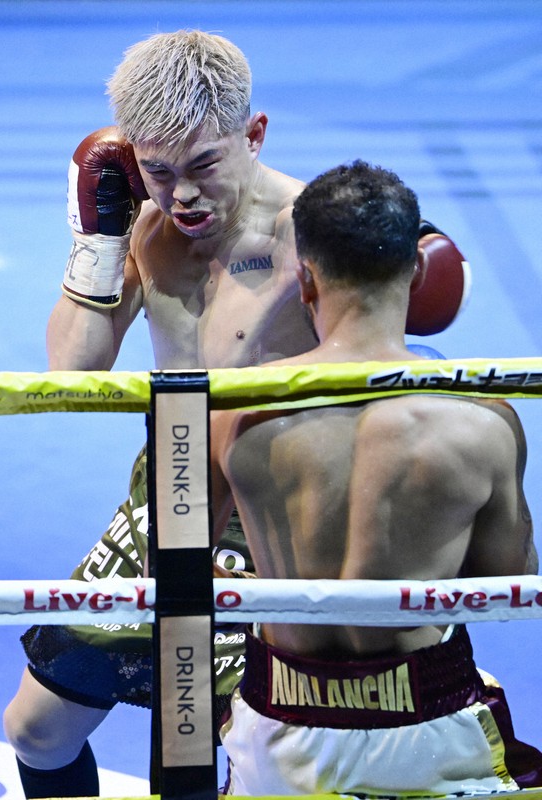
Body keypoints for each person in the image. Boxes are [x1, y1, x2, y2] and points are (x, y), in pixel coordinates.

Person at [3, 31, 468, 799]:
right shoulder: (146, 233)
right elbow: (74, 371)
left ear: (254, 134)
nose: (180, 194)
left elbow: (411, 323)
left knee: (250, 752)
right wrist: (97, 240)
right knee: (36, 730)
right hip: (166, 500)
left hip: (279, 517)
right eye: (157, 171)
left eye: (203, 166)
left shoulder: (310, 235)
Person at [210, 159, 542, 796]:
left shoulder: (237, 408)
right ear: (418, 271)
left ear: (304, 278)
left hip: (279, 724)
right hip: (427, 716)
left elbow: (183, 556)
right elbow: (508, 582)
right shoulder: (481, 419)